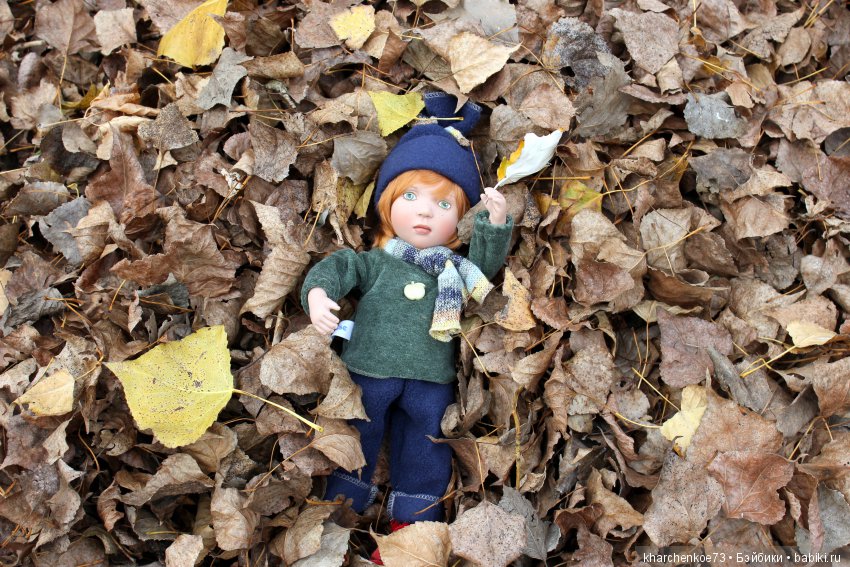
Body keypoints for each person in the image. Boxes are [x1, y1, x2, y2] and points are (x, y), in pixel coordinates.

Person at [300, 92, 513, 541]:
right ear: (386, 203)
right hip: (368, 369)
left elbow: (486, 267)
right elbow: (339, 268)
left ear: (458, 218)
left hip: (430, 376)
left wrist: (495, 221)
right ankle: (337, 509)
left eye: (443, 205)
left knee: (426, 444)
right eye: (411, 196)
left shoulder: (455, 268)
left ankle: (415, 526)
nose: (423, 211)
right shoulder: (376, 261)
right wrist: (319, 296)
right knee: (356, 431)